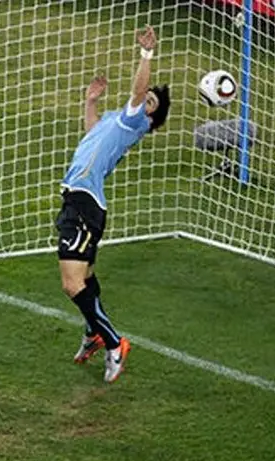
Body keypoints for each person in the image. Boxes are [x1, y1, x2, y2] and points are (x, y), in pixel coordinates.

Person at [59, 26, 170, 383]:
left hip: (84, 203)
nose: (143, 100)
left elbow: (138, 90)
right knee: (85, 278)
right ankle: (94, 333)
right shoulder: (116, 121)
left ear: (150, 118)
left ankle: (113, 343)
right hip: (80, 200)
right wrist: (91, 102)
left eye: (150, 103)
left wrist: (147, 54)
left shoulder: (134, 121)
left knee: (72, 284)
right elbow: (92, 134)